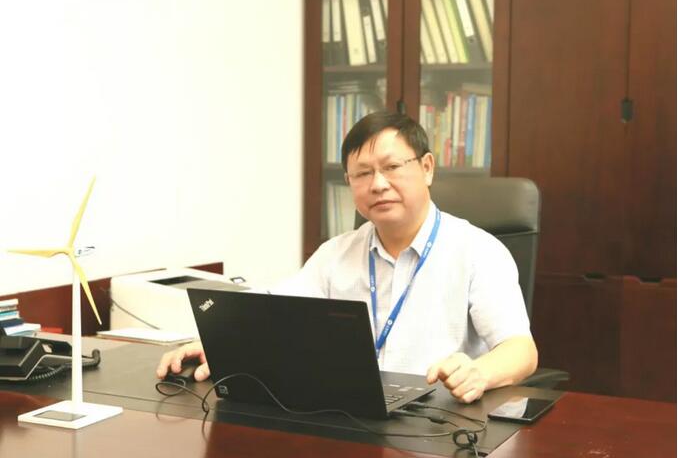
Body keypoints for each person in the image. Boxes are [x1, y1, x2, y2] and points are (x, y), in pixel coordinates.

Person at [157, 111, 538, 403]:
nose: (378, 184)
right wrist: (221, 342)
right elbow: (276, 312)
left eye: (392, 167)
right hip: (350, 412)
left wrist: (479, 373)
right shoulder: (336, 253)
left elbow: (521, 350)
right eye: (362, 173)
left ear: (426, 168)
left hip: (440, 419)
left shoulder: (478, 251)